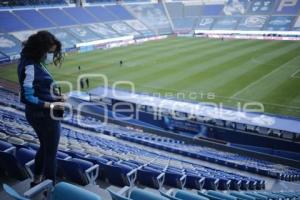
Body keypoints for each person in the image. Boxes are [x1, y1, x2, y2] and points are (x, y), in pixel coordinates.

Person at [17, 31, 65, 187]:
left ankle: (37, 179)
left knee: (44, 147)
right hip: (44, 116)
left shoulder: (30, 61)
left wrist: (55, 96)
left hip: (37, 114)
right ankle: (51, 190)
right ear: (41, 49)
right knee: (51, 153)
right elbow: (27, 97)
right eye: (50, 52)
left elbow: (38, 89)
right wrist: (51, 104)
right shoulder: (30, 66)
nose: (51, 55)